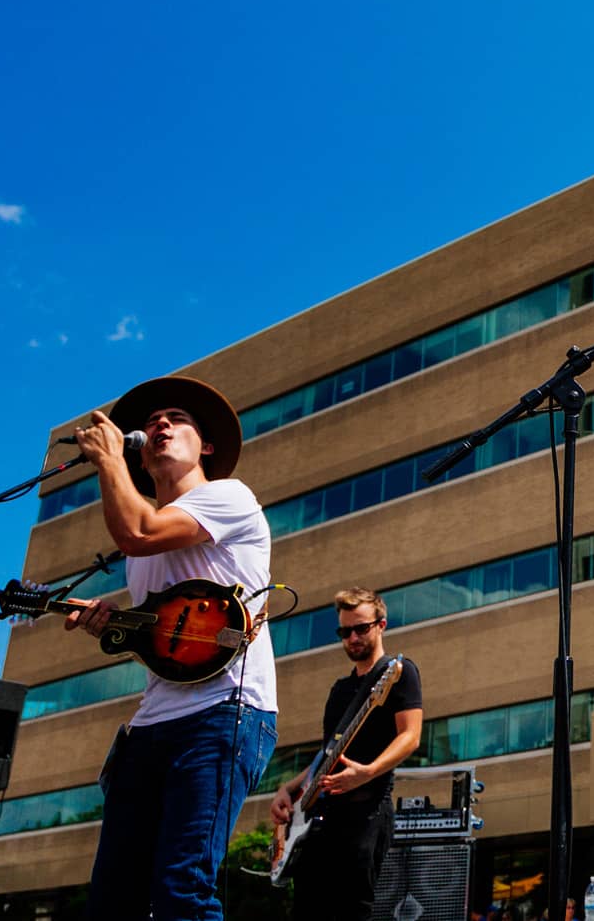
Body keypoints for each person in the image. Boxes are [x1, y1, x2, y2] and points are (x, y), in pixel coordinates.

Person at [65, 376, 279, 920]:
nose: (160, 424)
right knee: (113, 899)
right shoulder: (140, 554)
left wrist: (108, 458)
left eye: (176, 419)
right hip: (151, 725)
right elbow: (167, 637)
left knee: (182, 888)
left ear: (206, 446)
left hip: (223, 712)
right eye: (151, 421)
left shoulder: (229, 496)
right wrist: (113, 623)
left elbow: (139, 532)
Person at [269, 586, 425, 920]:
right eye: (345, 632)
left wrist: (367, 772)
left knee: (352, 910)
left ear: (381, 625)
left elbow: (410, 736)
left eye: (361, 628)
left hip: (366, 812)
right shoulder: (339, 690)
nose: (353, 638)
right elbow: (325, 756)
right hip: (320, 821)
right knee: (305, 910)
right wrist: (289, 788)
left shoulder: (399, 672)